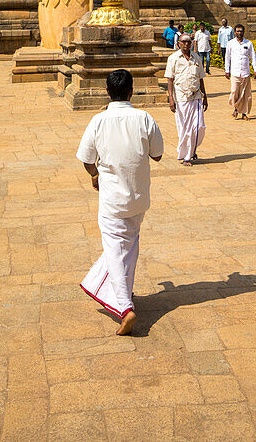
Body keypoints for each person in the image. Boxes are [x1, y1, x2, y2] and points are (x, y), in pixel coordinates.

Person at [77, 68, 164, 336]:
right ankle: (124, 290)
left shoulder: (98, 121)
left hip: (112, 199)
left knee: (115, 248)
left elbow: (86, 158)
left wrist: (95, 176)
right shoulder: (144, 118)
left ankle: (125, 307)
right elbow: (158, 155)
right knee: (129, 244)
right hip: (138, 198)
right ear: (131, 91)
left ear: (107, 92)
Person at [165, 33, 207, 165]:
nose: (186, 44)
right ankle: (187, 155)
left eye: (189, 42)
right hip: (181, 98)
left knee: (199, 127)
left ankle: (191, 149)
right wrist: (171, 99)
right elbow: (170, 80)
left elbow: (200, 79)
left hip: (196, 97)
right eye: (184, 42)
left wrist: (205, 96)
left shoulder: (196, 58)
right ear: (179, 44)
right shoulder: (173, 58)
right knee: (184, 129)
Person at [225, 23, 256, 120]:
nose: (239, 33)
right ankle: (236, 108)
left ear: (243, 32)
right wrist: (227, 70)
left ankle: (243, 113)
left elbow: (253, 57)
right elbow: (227, 57)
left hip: (245, 72)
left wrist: (255, 69)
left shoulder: (248, 43)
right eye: (238, 31)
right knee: (235, 91)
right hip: (235, 72)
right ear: (235, 32)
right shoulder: (230, 43)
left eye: (241, 31)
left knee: (246, 94)